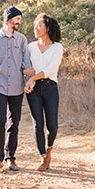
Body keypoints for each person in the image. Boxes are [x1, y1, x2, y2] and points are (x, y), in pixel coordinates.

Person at [0, 5, 32, 171]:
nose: (19, 22)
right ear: (8, 19)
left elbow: (27, 63)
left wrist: (30, 80)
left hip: (17, 86)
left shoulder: (21, 39)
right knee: (0, 120)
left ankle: (11, 157)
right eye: (17, 19)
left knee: (14, 122)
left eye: (20, 20)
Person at [24, 13, 63, 171]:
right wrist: (27, 76)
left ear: (47, 28)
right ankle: (43, 157)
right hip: (33, 90)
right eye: (35, 25)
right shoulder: (31, 47)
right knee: (38, 123)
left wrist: (32, 78)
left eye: (39, 25)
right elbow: (25, 67)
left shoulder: (57, 47)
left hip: (50, 87)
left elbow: (50, 69)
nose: (36, 28)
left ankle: (49, 149)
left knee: (52, 125)